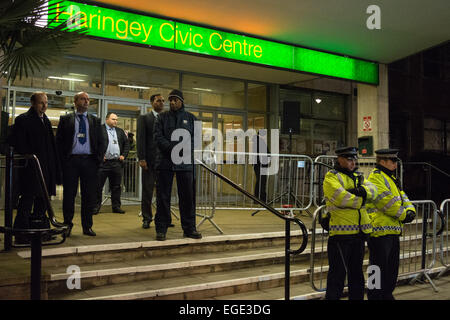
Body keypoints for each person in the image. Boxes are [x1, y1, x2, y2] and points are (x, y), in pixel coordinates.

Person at [322, 146, 377, 300]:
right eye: (349, 159)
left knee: (357, 274)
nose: (353, 162)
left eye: (354, 159)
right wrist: (362, 197)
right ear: (339, 159)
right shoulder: (331, 177)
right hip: (341, 234)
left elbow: (374, 191)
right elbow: (341, 197)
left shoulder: (358, 176)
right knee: (337, 275)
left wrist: (361, 192)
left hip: (359, 234)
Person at [10, 92, 61, 244]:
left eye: (46, 103)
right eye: (41, 103)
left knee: (43, 201)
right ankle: (21, 233)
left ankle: (39, 230)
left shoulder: (45, 120)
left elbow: (51, 147)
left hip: (45, 169)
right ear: (33, 103)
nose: (44, 106)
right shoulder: (23, 120)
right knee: (26, 201)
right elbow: (20, 144)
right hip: (31, 169)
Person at [366, 148, 416, 300]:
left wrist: (411, 211)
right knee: (376, 267)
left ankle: (387, 294)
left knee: (391, 268)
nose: (396, 163)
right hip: (379, 230)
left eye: (396, 160)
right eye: (393, 161)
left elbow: (403, 197)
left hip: (392, 230)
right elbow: (385, 202)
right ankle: (375, 295)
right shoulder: (376, 178)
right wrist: (404, 215)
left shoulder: (391, 178)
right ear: (382, 161)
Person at [154, 89, 201, 241]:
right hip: (165, 162)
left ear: (181, 101)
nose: (172, 102)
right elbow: (158, 137)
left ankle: (189, 228)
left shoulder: (192, 119)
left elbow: (196, 139)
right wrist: (172, 149)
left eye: (175, 99)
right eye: (170, 100)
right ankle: (161, 229)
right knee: (163, 197)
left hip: (185, 163)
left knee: (187, 197)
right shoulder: (162, 117)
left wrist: (183, 150)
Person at [56, 91, 105, 237]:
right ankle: (67, 225)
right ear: (75, 101)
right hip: (71, 161)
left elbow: (102, 141)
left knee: (88, 195)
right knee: (69, 194)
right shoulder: (66, 119)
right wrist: (62, 161)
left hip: (89, 161)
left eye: (88, 99)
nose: (86, 102)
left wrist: (98, 158)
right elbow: (59, 141)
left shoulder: (95, 121)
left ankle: (87, 226)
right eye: (83, 99)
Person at [137, 93, 165, 229]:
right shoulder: (144, 118)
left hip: (164, 162)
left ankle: (163, 218)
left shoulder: (166, 118)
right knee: (147, 191)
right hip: (149, 161)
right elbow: (141, 139)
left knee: (163, 192)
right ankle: (147, 218)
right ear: (152, 102)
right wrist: (141, 158)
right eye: (159, 101)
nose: (162, 103)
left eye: (163, 101)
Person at [95, 112, 130, 214]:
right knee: (98, 186)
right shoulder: (99, 130)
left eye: (116, 119)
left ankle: (116, 207)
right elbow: (94, 144)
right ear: (107, 119)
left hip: (116, 163)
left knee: (116, 187)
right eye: (113, 119)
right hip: (103, 164)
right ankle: (95, 207)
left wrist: (124, 155)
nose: (116, 121)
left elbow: (126, 144)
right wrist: (100, 155)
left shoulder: (119, 131)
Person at [253, 130, 269, 203]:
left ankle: (257, 198)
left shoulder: (258, 142)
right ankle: (262, 198)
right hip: (261, 164)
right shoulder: (260, 142)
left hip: (259, 164)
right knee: (262, 181)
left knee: (259, 181)